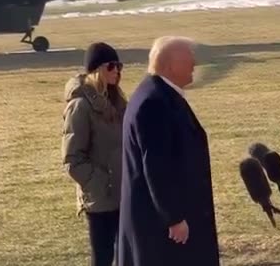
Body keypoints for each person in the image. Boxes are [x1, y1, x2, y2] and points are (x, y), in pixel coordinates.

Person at [118, 36, 220, 266]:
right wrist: (173, 217)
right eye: (188, 60)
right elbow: (155, 166)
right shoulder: (153, 103)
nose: (194, 64)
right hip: (162, 230)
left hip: (171, 221)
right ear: (169, 65)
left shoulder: (162, 94)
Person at [61, 42, 127, 266]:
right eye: (111, 66)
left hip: (123, 193)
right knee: (103, 259)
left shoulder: (118, 102)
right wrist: (102, 183)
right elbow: (72, 159)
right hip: (100, 198)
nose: (117, 71)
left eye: (119, 66)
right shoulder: (80, 106)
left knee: (126, 255)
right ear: (96, 69)